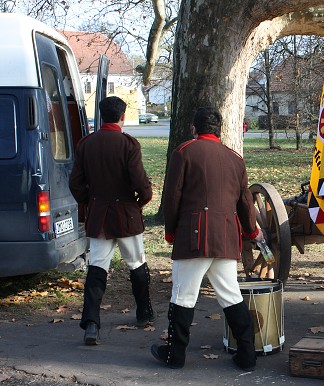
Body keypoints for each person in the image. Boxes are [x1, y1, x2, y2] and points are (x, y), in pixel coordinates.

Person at [151, 106, 263, 370]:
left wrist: (170, 231)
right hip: (224, 236)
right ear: (220, 130)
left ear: (194, 128)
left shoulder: (184, 152)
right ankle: (247, 355)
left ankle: (175, 356)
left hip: (193, 236)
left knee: (183, 296)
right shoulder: (236, 158)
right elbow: (245, 202)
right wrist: (251, 231)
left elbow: (172, 197)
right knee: (230, 295)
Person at [69, 96, 154, 345]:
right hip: (126, 214)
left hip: (99, 215)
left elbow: (75, 183)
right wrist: (139, 202)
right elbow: (141, 184)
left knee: (97, 267)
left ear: (102, 115)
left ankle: (92, 323)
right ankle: (144, 312)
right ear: (122, 117)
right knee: (137, 264)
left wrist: (90, 201)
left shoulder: (86, 144)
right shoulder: (129, 144)